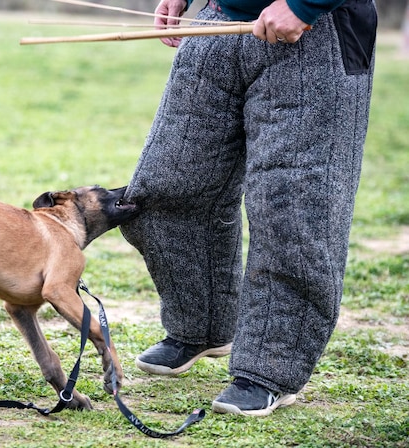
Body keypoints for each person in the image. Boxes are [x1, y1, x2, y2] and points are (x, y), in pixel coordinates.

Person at [120, 0, 377, 416]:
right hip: (219, 22)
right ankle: (200, 328)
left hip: (313, 33)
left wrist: (304, 4)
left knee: (292, 213)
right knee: (167, 188)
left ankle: (270, 371)